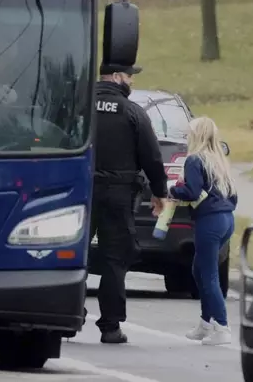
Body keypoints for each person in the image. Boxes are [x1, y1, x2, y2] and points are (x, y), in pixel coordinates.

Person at [89, 63, 168, 344]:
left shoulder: (79, 106)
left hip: (80, 192)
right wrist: (160, 192)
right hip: (118, 195)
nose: (131, 81)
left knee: (70, 254)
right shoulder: (133, 112)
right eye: (130, 76)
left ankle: (67, 314)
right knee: (114, 260)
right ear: (116, 77)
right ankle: (110, 327)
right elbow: (152, 156)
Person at [169, 116, 237, 346]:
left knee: (208, 276)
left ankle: (222, 327)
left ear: (195, 136)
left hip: (209, 222)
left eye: (189, 133)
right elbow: (234, 196)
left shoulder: (194, 160)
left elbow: (191, 191)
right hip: (227, 219)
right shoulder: (219, 161)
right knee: (199, 270)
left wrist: (172, 190)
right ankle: (205, 323)